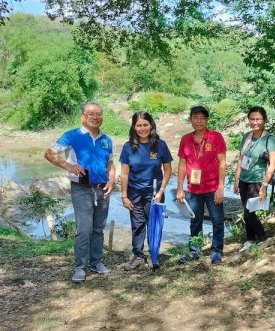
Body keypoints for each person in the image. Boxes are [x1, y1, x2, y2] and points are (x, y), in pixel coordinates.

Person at [44, 102, 115, 283]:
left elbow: (110, 165)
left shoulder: (107, 140)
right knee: (84, 229)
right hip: (81, 190)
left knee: (98, 229)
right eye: (91, 114)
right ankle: (80, 268)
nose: (95, 117)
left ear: (102, 117)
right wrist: (68, 165)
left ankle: (96, 262)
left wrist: (111, 181)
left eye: (98, 114)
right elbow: (50, 153)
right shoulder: (71, 136)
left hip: (102, 190)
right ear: (83, 116)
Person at [119, 111, 173, 271]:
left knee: (155, 225)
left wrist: (162, 190)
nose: (142, 128)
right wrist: (124, 196)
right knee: (137, 225)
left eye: (145, 125)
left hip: (155, 194)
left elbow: (168, 169)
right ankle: (138, 256)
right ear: (134, 127)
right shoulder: (128, 147)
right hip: (134, 194)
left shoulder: (160, 145)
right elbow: (124, 173)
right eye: (139, 125)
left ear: (151, 125)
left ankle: (153, 256)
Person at [176, 106, 227, 264]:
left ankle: (216, 252)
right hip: (193, 189)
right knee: (195, 221)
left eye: (202, 118)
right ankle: (195, 252)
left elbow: (222, 163)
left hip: (212, 188)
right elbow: (182, 165)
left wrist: (220, 187)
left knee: (217, 221)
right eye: (195, 118)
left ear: (207, 120)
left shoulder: (216, 137)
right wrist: (179, 188)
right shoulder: (186, 139)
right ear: (190, 119)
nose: (199, 121)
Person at [234, 106, 275, 252]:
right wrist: (236, 180)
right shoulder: (246, 136)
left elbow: (273, 164)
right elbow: (241, 159)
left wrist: (264, 185)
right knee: (247, 212)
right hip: (244, 180)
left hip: (257, 179)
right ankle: (250, 240)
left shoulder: (269, 139)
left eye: (258, 119)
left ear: (264, 120)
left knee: (249, 212)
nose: (255, 122)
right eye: (252, 119)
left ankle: (264, 238)